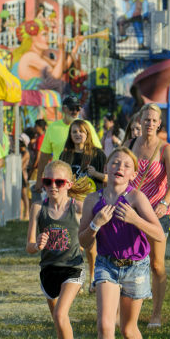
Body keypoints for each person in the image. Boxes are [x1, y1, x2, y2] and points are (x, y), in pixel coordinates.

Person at [78, 148, 166, 339]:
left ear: (133, 173)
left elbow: (159, 234)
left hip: (135, 267)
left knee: (128, 329)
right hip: (106, 264)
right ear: (106, 167)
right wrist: (95, 224)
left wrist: (135, 218)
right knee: (105, 325)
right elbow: (83, 241)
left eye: (126, 164)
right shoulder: (93, 199)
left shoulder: (137, 197)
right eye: (115, 162)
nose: (120, 166)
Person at [26, 161, 89, 339]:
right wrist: (37, 244)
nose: (53, 186)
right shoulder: (37, 209)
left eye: (59, 182)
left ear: (68, 184)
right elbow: (29, 246)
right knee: (59, 322)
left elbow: (92, 229)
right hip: (48, 271)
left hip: (72, 268)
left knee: (61, 314)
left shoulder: (78, 207)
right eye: (47, 181)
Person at [127, 104, 170, 328]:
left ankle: (156, 314)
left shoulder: (166, 149)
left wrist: (165, 202)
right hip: (131, 210)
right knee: (129, 260)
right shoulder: (129, 145)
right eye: (146, 119)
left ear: (159, 124)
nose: (149, 124)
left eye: (153, 120)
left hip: (157, 211)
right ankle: (129, 312)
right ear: (140, 121)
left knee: (156, 265)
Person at [59, 119, 107, 289]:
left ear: (87, 133)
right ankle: (75, 279)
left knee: (89, 244)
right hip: (70, 204)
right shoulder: (65, 155)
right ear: (70, 135)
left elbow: (109, 179)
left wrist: (97, 174)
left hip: (91, 203)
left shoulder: (97, 154)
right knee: (72, 244)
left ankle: (93, 277)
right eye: (74, 132)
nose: (78, 134)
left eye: (81, 131)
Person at [34, 96, 101, 201]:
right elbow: (44, 156)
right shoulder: (53, 128)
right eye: (72, 108)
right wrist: (39, 180)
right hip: (59, 182)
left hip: (84, 181)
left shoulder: (86, 125)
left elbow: (98, 152)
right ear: (64, 109)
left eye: (78, 109)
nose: (75, 112)